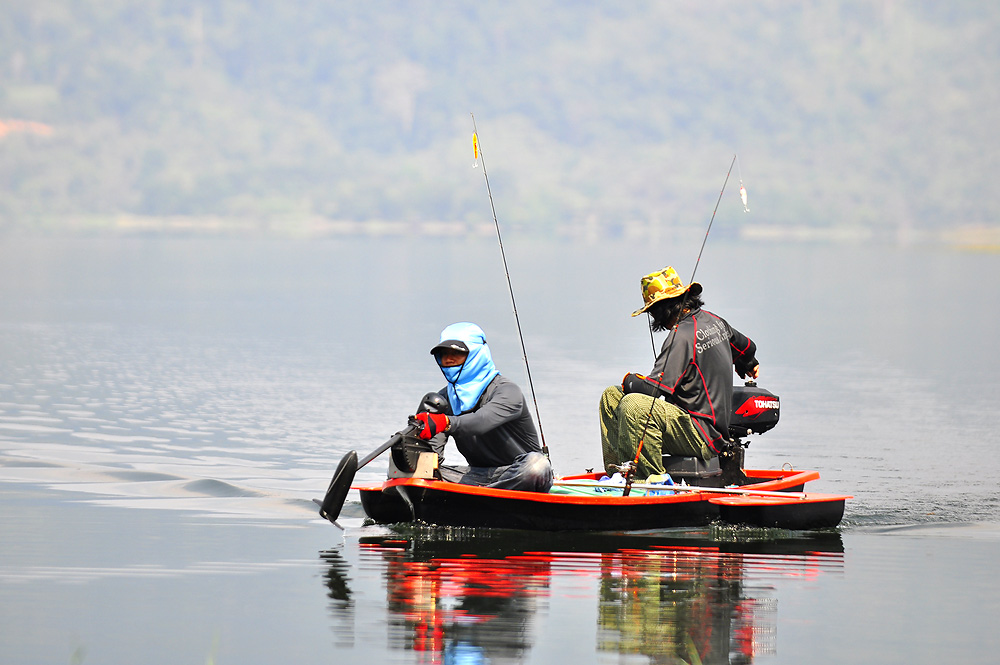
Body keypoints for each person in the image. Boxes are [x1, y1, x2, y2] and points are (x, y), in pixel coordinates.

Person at [600, 266, 759, 482]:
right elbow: (747, 347)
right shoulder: (714, 321)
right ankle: (619, 473)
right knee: (611, 396)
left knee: (633, 405)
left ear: (662, 309)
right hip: (694, 423)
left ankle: (645, 481)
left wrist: (629, 380)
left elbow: (653, 390)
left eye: (653, 312)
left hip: (703, 433)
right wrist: (747, 364)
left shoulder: (681, 336)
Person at [411, 322, 553, 493]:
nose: (448, 359)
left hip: (522, 474)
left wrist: (445, 422)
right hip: (478, 478)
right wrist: (416, 439)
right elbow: (431, 457)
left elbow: (482, 421)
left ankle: (480, 498)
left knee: (537, 465)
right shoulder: (441, 401)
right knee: (417, 471)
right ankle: (481, 496)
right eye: (443, 354)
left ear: (476, 355)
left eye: (457, 353)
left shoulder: (507, 391)